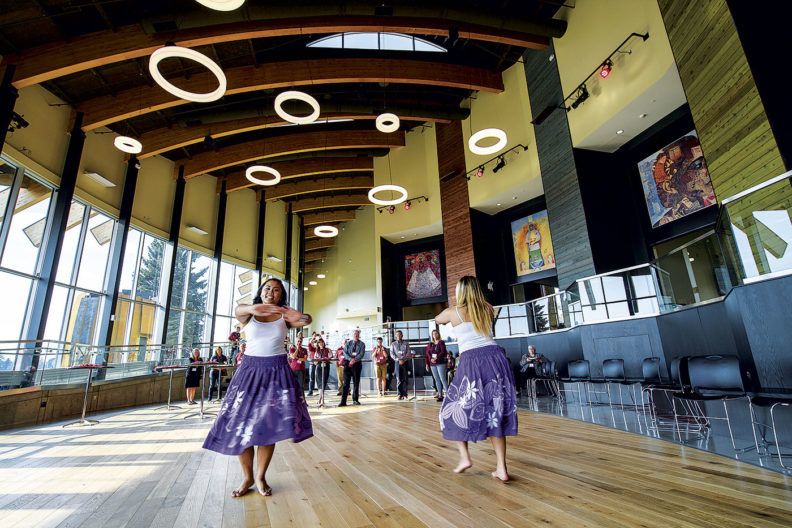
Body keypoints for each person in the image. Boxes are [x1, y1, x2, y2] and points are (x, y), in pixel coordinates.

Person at [202, 277, 313, 498]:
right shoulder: (248, 314)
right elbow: (238, 309)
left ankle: (260, 477)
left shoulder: (284, 317)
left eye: (277, 290)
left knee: (267, 427)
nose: (271, 292)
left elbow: (306, 320)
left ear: (282, 295)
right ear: (261, 291)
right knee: (241, 426)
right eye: (267, 288)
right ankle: (247, 477)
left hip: (276, 372)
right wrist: (257, 307)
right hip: (249, 372)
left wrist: (297, 314)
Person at [435, 276, 518, 482]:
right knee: (495, 414)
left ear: (460, 292)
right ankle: (501, 469)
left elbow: (438, 319)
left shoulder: (453, 312)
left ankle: (465, 457)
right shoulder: (487, 307)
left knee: (449, 410)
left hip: (473, 361)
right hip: (496, 358)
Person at [339, 331, 365, 406]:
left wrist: (354, 360)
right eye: (354, 334)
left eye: (357, 335)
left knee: (356, 383)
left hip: (357, 364)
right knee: (346, 383)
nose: (356, 336)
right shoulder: (348, 343)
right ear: (352, 335)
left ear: (359, 335)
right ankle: (343, 401)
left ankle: (355, 400)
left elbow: (361, 354)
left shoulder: (362, 344)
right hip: (348, 364)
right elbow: (345, 352)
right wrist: (350, 359)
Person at [426, 329, 449, 402]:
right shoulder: (431, 344)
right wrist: (431, 359)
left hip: (440, 363)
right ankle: (440, 394)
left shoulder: (441, 342)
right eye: (433, 334)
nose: (435, 335)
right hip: (433, 363)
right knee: (437, 379)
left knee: (443, 379)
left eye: (436, 334)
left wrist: (436, 358)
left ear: (438, 334)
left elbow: (443, 352)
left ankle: (448, 395)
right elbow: (428, 353)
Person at [390, 330, 410, 400]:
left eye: (400, 335)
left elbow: (408, 352)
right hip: (397, 362)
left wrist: (404, 360)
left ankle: (405, 394)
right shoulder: (393, 344)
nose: (398, 336)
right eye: (397, 335)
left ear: (402, 335)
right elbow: (392, 354)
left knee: (405, 378)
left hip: (405, 362)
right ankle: (399, 394)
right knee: (399, 379)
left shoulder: (406, 343)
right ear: (396, 336)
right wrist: (398, 359)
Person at [312, 338, 332, 406]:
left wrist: (330, 354)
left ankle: (320, 400)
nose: (321, 344)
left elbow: (331, 356)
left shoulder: (327, 350)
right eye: (320, 342)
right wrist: (317, 359)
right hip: (319, 368)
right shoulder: (317, 351)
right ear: (318, 344)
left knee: (324, 383)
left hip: (326, 367)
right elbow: (315, 362)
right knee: (320, 384)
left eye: (322, 342)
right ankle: (321, 399)